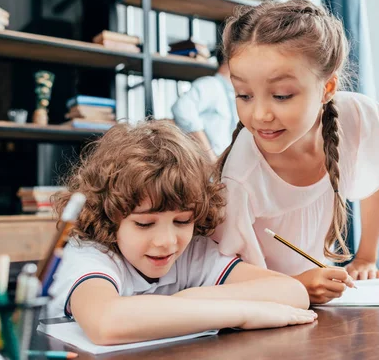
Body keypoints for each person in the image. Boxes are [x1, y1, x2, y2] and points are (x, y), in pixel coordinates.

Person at [47, 120, 316, 345]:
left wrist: (184, 302)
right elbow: (106, 322)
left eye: (182, 221)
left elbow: (292, 291)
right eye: (144, 224)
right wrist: (245, 313)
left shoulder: (192, 252)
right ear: (109, 216)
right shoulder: (88, 255)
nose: (166, 242)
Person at [213, 0, 379, 304]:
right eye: (243, 95)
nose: (259, 114)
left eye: (281, 95)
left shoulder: (355, 117)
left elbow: (374, 188)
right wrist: (296, 286)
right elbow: (225, 277)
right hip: (268, 302)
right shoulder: (240, 176)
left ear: (327, 88)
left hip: (321, 298)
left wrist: (366, 258)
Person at [171, 53, 238, 162]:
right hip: (210, 171)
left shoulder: (234, 93)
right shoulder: (211, 85)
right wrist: (209, 155)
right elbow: (182, 109)